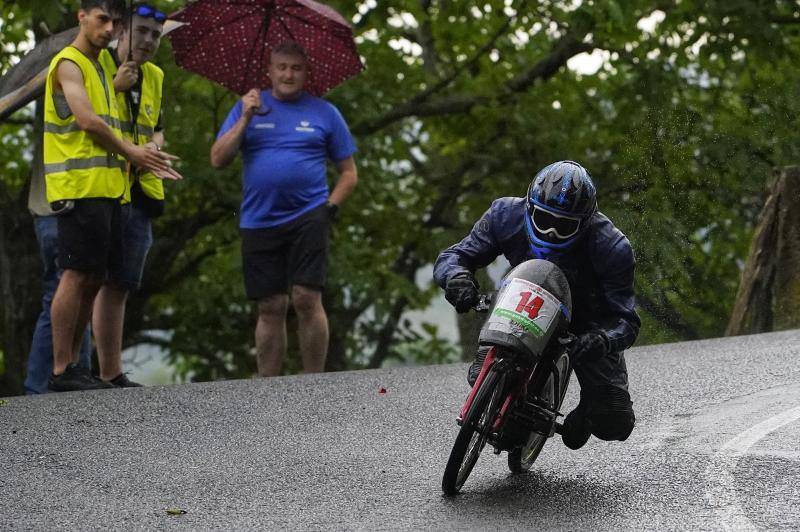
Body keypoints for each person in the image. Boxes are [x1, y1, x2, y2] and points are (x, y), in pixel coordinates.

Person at [433, 160, 640, 450]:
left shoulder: (613, 247)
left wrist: (603, 340)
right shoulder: (504, 214)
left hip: (587, 321)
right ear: (529, 209)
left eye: (564, 225)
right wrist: (457, 279)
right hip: (521, 297)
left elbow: (626, 320)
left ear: (585, 222)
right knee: (479, 379)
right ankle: (497, 376)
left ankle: (587, 410)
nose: (552, 232)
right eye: (544, 219)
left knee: (614, 421)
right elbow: (454, 256)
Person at [43, 0, 180, 392]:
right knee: (75, 274)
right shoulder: (71, 62)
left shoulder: (108, 68)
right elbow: (88, 121)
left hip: (110, 188)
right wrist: (134, 152)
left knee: (96, 276)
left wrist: (147, 150)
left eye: (114, 22)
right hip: (77, 186)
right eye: (103, 20)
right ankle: (61, 369)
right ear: (82, 17)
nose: (108, 29)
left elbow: (140, 124)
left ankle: (76, 367)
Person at [210, 41, 358, 377]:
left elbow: (349, 173)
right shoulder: (249, 106)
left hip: (310, 214)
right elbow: (218, 159)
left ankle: (313, 381)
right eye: (282, 67)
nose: (288, 74)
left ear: (306, 72)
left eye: (296, 68)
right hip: (259, 219)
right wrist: (245, 118)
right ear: (270, 71)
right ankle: (269, 386)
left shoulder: (325, 112)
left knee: (306, 297)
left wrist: (329, 208)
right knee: (270, 305)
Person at [92, 3, 170, 387]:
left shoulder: (155, 75)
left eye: (156, 35)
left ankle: (111, 373)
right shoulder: (98, 64)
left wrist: (154, 147)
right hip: (103, 187)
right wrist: (115, 87)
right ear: (123, 29)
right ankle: (75, 370)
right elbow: (85, 119)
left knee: (121, 282)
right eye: (142, 31)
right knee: (91, 279)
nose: (149, 41)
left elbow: (157, 127)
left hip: (140, 190)